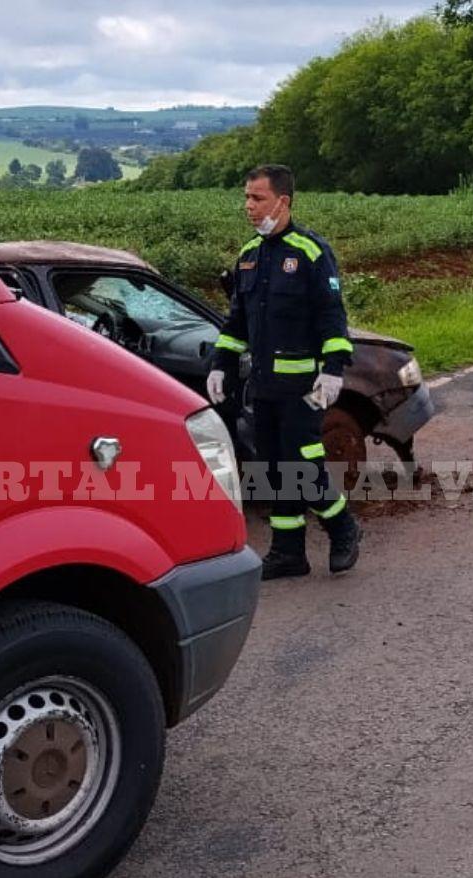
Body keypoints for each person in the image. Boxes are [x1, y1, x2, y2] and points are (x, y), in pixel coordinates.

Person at [207, 164, 360, 580]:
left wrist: (332, 371)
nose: (248, 207)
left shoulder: (310, 252)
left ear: (283, 201)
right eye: (246, 198)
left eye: (257, 198)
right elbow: (236, 322)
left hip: (303, 389)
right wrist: (221, 365)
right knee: (273, 469)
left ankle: (343, 526)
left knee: (302, 466)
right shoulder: (248, 257)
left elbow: (332, 317)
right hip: (264, 388)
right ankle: (288, 552)